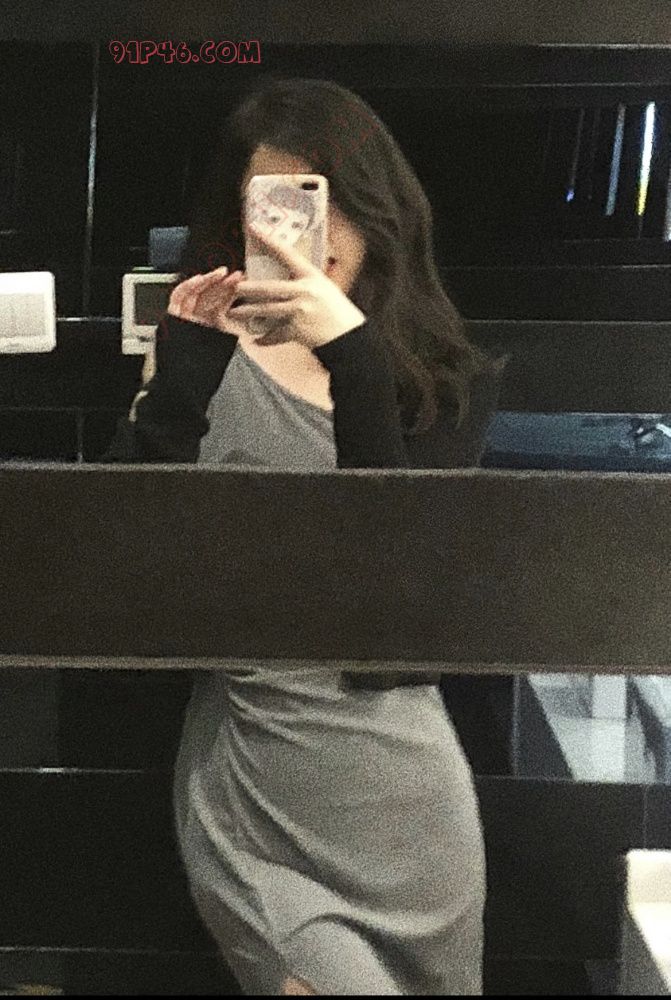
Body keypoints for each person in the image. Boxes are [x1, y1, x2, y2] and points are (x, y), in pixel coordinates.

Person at [102, 77, 505, 996]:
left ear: (376, 210)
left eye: (318, 202)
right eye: (271, 207)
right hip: (254, 773)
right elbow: (121, 560)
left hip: (405, 797)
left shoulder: (441, 379)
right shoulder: (199, 354)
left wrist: (352, 356)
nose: (300, 237)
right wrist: (179, 380)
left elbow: (394, 597)